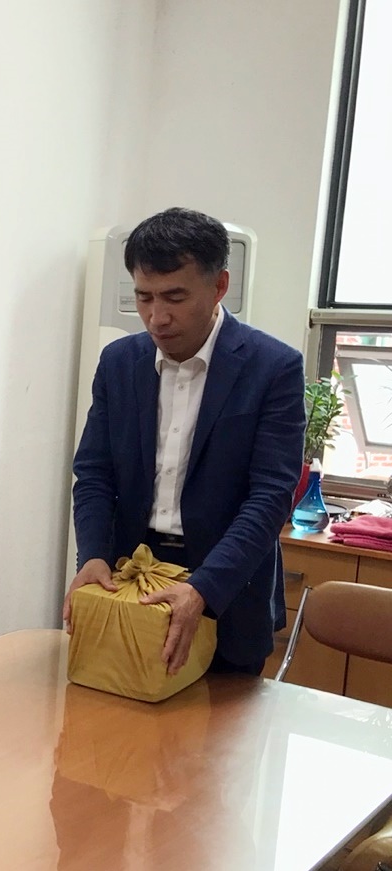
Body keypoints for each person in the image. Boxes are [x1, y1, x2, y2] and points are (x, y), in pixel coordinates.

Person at [64, 207, 306, 677]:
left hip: (228, 587)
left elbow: (271, 495)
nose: (157, 318)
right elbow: (94, 472)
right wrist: (92, 555)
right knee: (114, 718)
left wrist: (204, 588)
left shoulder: (272, 367)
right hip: (130, 577)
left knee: (222, 723)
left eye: (175, 297)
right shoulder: (119, 363)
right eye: (144, 297)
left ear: (219, 286)